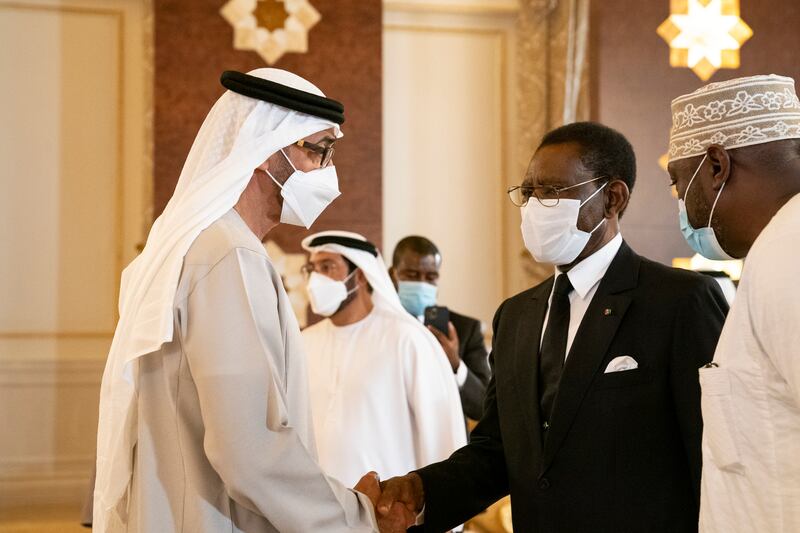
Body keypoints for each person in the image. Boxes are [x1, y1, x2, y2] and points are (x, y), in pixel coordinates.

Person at [93, 69, 410, 532]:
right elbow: (247, 448)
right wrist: (354, 515)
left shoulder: (202, 244)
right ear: (265, 149)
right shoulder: (227, 256)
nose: (327, 171)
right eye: (316, 150)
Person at [376, 122, 729, 532]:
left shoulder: (680, 301)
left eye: (551, 192)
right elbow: (497, 451)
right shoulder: (516, 316)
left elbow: (714, 455)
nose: (533, 206)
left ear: (612, 198)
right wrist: (420, 491)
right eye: (527, 193)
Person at [667, 74, 800, 533]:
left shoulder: (790, 251)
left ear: (717, 166)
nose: (681, 206)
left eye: (677, 183)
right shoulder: (777, 247)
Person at [300, 231, 466, 488]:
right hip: (316, 510)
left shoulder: (408, 339)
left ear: (361, 274)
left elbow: (440, 437)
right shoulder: (304, 342)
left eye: (327, 267)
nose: (315, 279)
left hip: (388, 514)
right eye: (312, 268)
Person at [389, 236, 491, 421]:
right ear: (392, 275)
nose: (422, 283)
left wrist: (455, 365)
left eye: (430, 277)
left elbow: (483, 408)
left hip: (446, 443)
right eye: (411, 275)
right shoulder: (378, 327)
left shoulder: (465, 329)